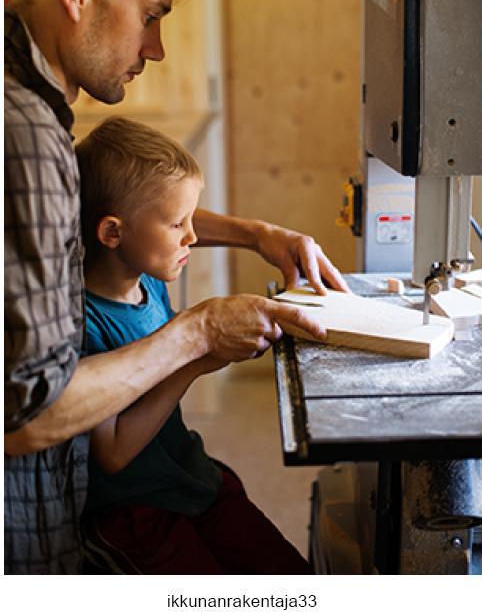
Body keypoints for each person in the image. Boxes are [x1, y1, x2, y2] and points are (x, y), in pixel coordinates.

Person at [4, 0, 348, 574]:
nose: (156, 48)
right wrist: (197, 334)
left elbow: (88, 208)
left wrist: (253, 232)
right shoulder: (24, 135)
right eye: (149, 15)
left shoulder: (28, 113)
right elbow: (27, 416)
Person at [76, 116, 312, 574]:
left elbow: (158, 222)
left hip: (190, 476)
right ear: (111, 233)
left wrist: (260, 234)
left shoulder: (148, 278)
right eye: (177, 223)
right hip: (135, 512)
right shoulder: (86, 323)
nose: (193, 236)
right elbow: (114, 453)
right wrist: (197, 358)